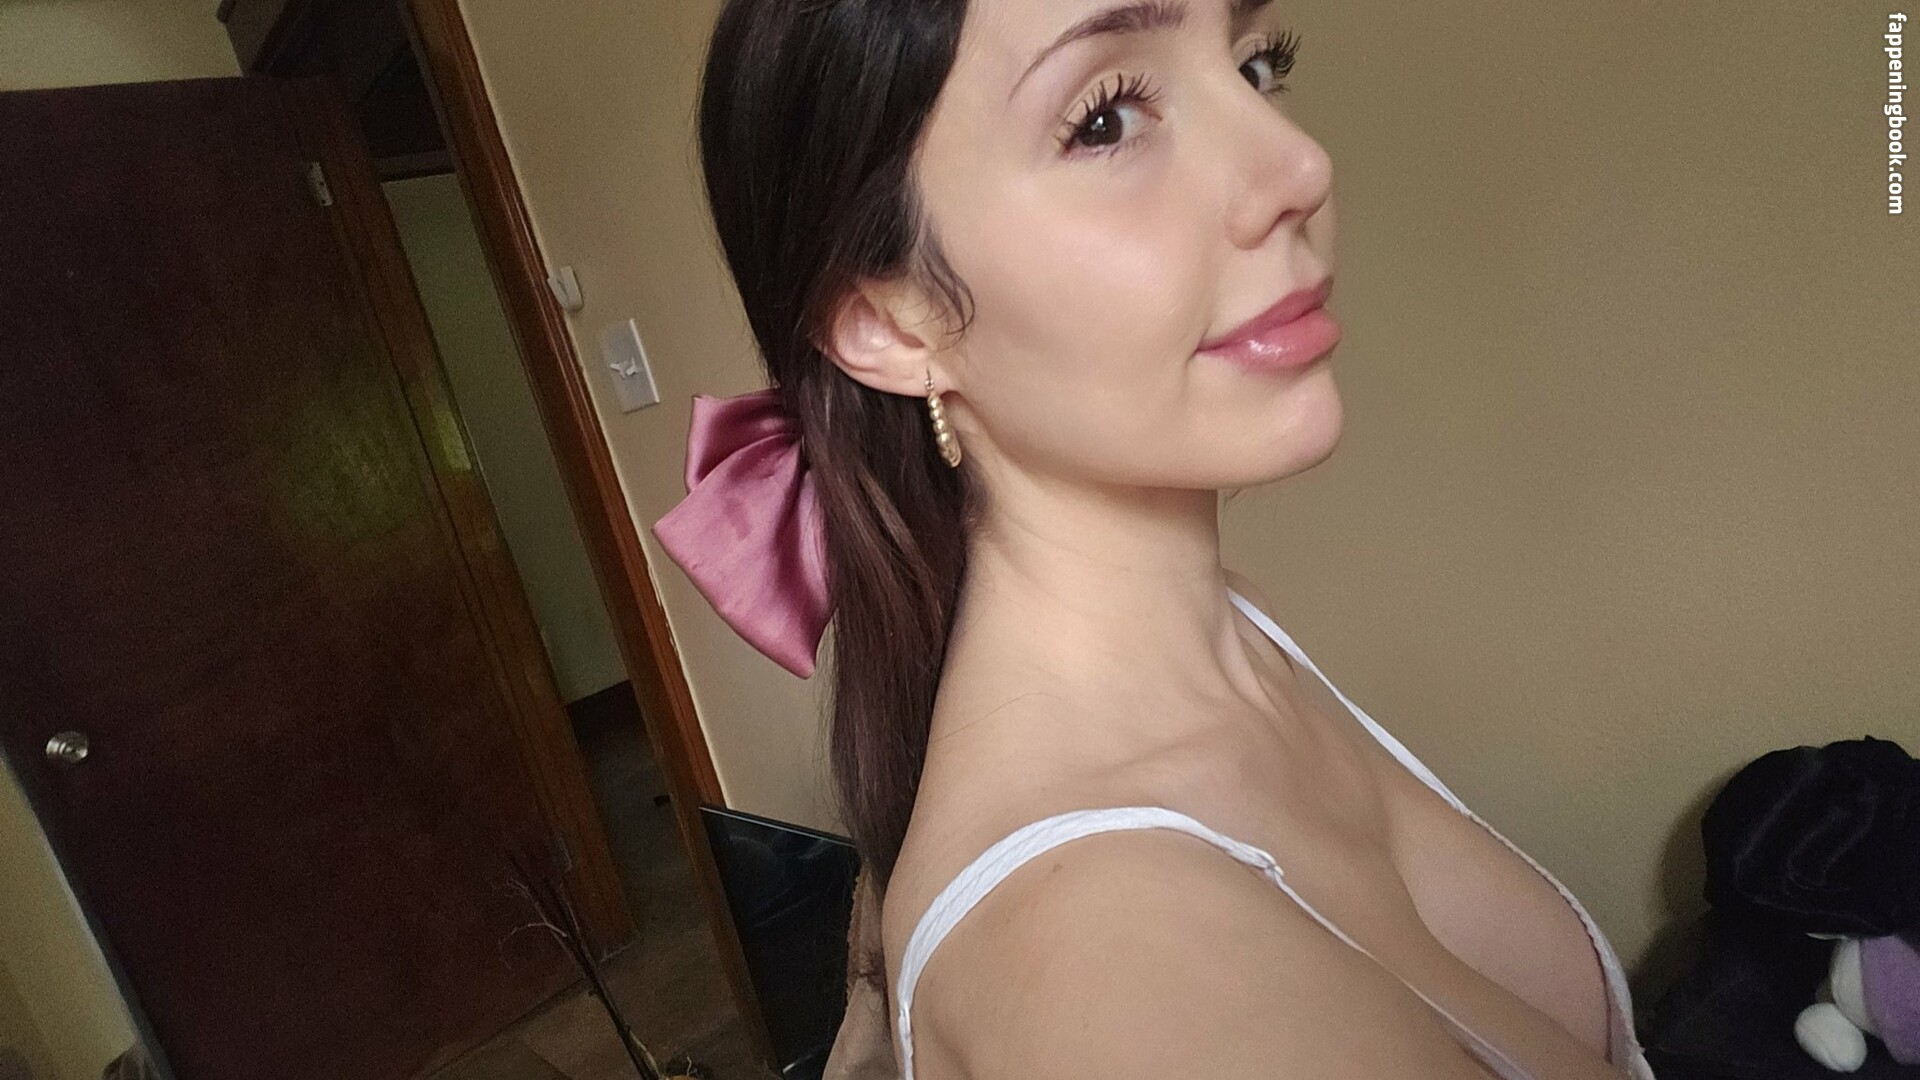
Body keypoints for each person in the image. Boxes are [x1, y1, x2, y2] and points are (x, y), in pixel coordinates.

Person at [656, 1, 1657, 1077]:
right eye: (1105, 120)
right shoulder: (1109, 971)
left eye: (1256, 64)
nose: (1300, 166)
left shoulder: (1235, 634)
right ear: (891, 321)